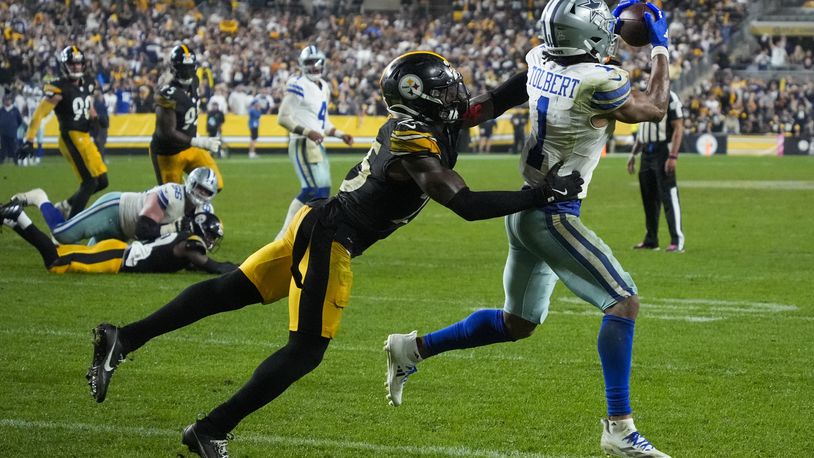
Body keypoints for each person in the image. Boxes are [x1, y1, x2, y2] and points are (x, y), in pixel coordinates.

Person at [84, 51, 583, 458]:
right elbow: (467, 204)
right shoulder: (414, 141)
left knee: (229, 290)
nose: (457, 91)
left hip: (316, 222)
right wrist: (540, 193)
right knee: (305, 350)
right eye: (446, 85)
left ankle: (122, 338)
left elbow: (497, 98)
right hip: (331, 237)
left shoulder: (431, 119)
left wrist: (548, 68)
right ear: (421, 97)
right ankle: (210, 430)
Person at [384, 2, 673, 458]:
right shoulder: (600, 80)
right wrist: (660, 46)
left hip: (524, 209)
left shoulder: (540, 58)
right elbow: (656, 108)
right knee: (623, 302)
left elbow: (488, 105)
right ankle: (619, 427)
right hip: (551, 212)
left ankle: (412, 349)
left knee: (517, 323)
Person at [0, 201, 236, 275]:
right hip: (116, 257)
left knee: (61, 253)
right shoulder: (190, 244)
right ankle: (19, 216)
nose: (212, 242)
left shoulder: (186, 240)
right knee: (56, 262)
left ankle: (13, 221)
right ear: (201, 229)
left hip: (119, 251)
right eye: (212, 236)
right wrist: (243, 269)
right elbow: (213, 267)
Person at [11, 166, 219, 245]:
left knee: (89, 259)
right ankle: (39, 197)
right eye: (200, 188)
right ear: (190, 183)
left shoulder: (203, 211)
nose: (202, 195)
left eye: (207, 192)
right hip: (115, 211)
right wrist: (174, 228)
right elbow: (143, 228)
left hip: (125, 233)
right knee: (62, 234)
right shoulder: (171, 194)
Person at [274, 45, 354, 241]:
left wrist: (340, 134)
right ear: (302, 65)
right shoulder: (298, 84)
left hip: (317, 144)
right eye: (310, 62)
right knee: (311, 190)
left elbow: (322, 123)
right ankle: (284, 237)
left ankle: (308, 234)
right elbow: (283, 118)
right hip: (302, 142)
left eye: (318, 62)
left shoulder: (324, 86)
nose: (315, 66)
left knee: (323, 192)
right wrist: (307, 132)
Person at [19, 46, 108, 218]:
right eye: (72, 64)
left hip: (84, 136)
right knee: (89, 182)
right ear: (64, 64)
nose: (76, 67)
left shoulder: (88, 82)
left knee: (102, 181)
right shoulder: (59, 87)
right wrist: (29, 139)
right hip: (70, 136)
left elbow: (87, 106)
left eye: (78, 63)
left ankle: (66, 205)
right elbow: (39, 113)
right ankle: (70, 228)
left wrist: (96, 118)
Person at [149, 45, 224, 191]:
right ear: (174, 69)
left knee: (215, 184)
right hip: (169, 153)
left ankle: (193, 205)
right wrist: (197, 141)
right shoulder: (167, 93)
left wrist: (193, 134)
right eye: (184, 69)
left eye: (190, 68)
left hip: (190, 146)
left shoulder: (194, 81)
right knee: (172, 202)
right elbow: (166, 133)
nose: (188, 73)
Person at [628, 90, 685, 253]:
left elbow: (678, 128)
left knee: (668, 195)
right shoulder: (644, 96)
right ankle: (651, 239)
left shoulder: (670, 97)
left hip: (663, 151)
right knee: (648, 197)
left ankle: (676, 239)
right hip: (646, 151)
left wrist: (673, 155)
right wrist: (633, 153)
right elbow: (642, 129)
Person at [0, 93, 22, 164]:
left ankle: (16, 161)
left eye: (8, 100)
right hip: (3, 133)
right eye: (6, 100)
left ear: (11, 101)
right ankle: (1, 162)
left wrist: (14, 127)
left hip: (12, 133)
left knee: (14, 148)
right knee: (3, 149)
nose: (7, 101)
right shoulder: (1, 110)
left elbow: (19, 120)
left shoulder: (15, 110)